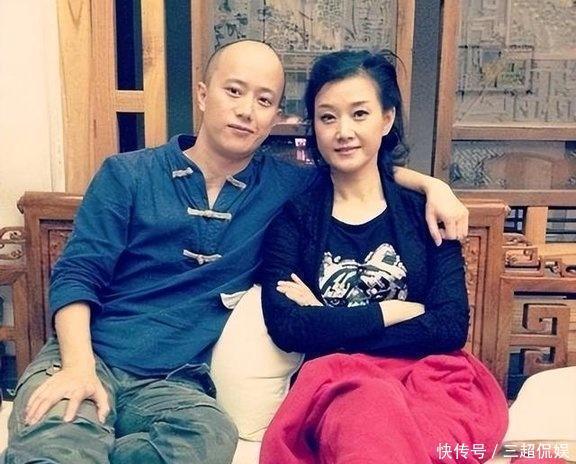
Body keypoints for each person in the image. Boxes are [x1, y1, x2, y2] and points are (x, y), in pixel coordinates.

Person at [7, 40, 468, 464]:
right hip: (90, 355)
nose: (247, 110)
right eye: (234, 91)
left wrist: (434, 187)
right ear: (203, 94)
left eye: (264, 101)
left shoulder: (285, 186)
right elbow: (77, 273)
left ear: (274, 117)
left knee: (211, 438)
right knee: (58, 445)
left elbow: (357, 163)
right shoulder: (127, 174)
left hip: (175, 385)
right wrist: (79, 366)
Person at [259, 50, 508, 464]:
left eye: (359, 114)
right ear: (314, 127)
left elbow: (448, 326)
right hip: (342, 384)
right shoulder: (295, 219)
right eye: (327, 117)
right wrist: (394, 311)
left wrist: (328, 321)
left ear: (386, 119)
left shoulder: (426, 213)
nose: (343, 132)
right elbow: (287, 325)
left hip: (432, 379)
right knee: (369, 412)